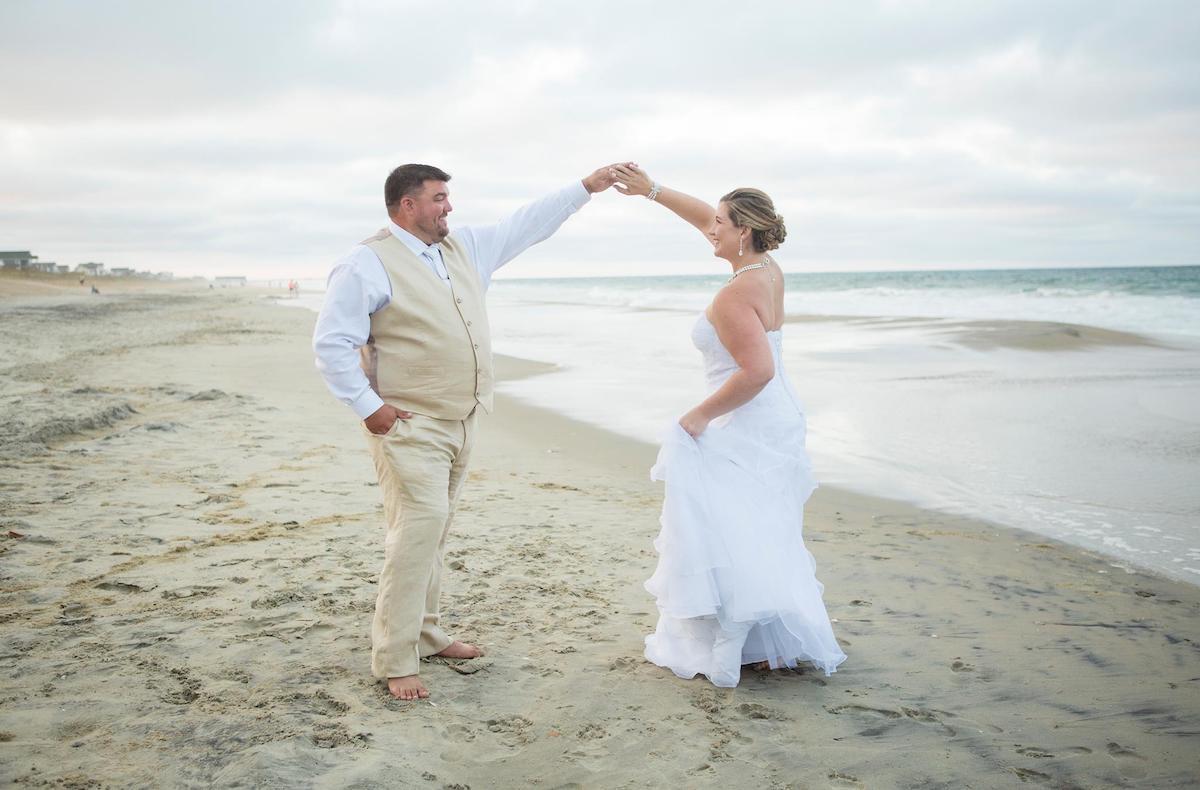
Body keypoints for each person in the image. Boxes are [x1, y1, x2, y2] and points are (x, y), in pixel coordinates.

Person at [313, 162, 619, 701]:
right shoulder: (366, 262)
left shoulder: (464, 249)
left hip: (461, 417)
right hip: (408, 424)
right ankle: (395, 657)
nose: (448, 207)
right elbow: (332, 343)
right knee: (416, 531)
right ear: (407, 205)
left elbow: (527, 224)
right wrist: (369, 407)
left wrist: (585, 188)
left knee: (435, 529)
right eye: (438, 198)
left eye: (447, 197)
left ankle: (426, 633)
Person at [612, 164, 846, 687]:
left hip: (750, 419)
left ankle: (737, 642)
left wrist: (698, 416)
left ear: (743, 231)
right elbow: (703, 217)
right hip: (776, 416)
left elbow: (757, 371)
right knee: (758, 525)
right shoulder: (766, 268)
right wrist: (652, 190)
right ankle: (765, 645)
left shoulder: (734, 294)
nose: (709, 228)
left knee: (731, 528)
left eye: (720, 223)